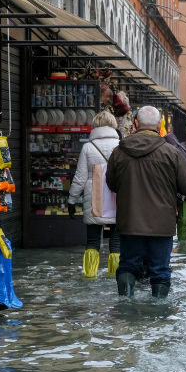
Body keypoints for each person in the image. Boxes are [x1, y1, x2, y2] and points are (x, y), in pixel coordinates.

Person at [106, 106, 186, 298]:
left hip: (129, 221)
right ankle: (159, 313)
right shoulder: (172, 153)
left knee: (127, 266)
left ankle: (125, 308)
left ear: (136, 124)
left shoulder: (119, 152)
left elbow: (111, 184)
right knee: (160, 270)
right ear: (158, 124)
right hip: (162, 224)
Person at [68, 111, 122, 278]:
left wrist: (72, 200)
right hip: (117, 197)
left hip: (94, 198)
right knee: (117, 241)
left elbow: (80, 177)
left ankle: (90, 275)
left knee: (92, 241)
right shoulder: (122, 145)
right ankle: (115, 276)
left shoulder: (88, 147)